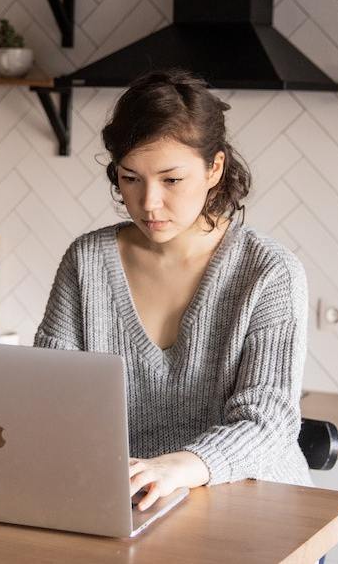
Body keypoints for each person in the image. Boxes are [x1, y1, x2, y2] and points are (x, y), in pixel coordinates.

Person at [33, 68, 310, 513]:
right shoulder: (86, 261)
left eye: (171, 179)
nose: (148, 202)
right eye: (130, 178)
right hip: (128, 503)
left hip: (253, 509)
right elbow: (50, 396)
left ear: (214, 168)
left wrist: (180, 466)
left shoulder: (268, 272)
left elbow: (268, 423)